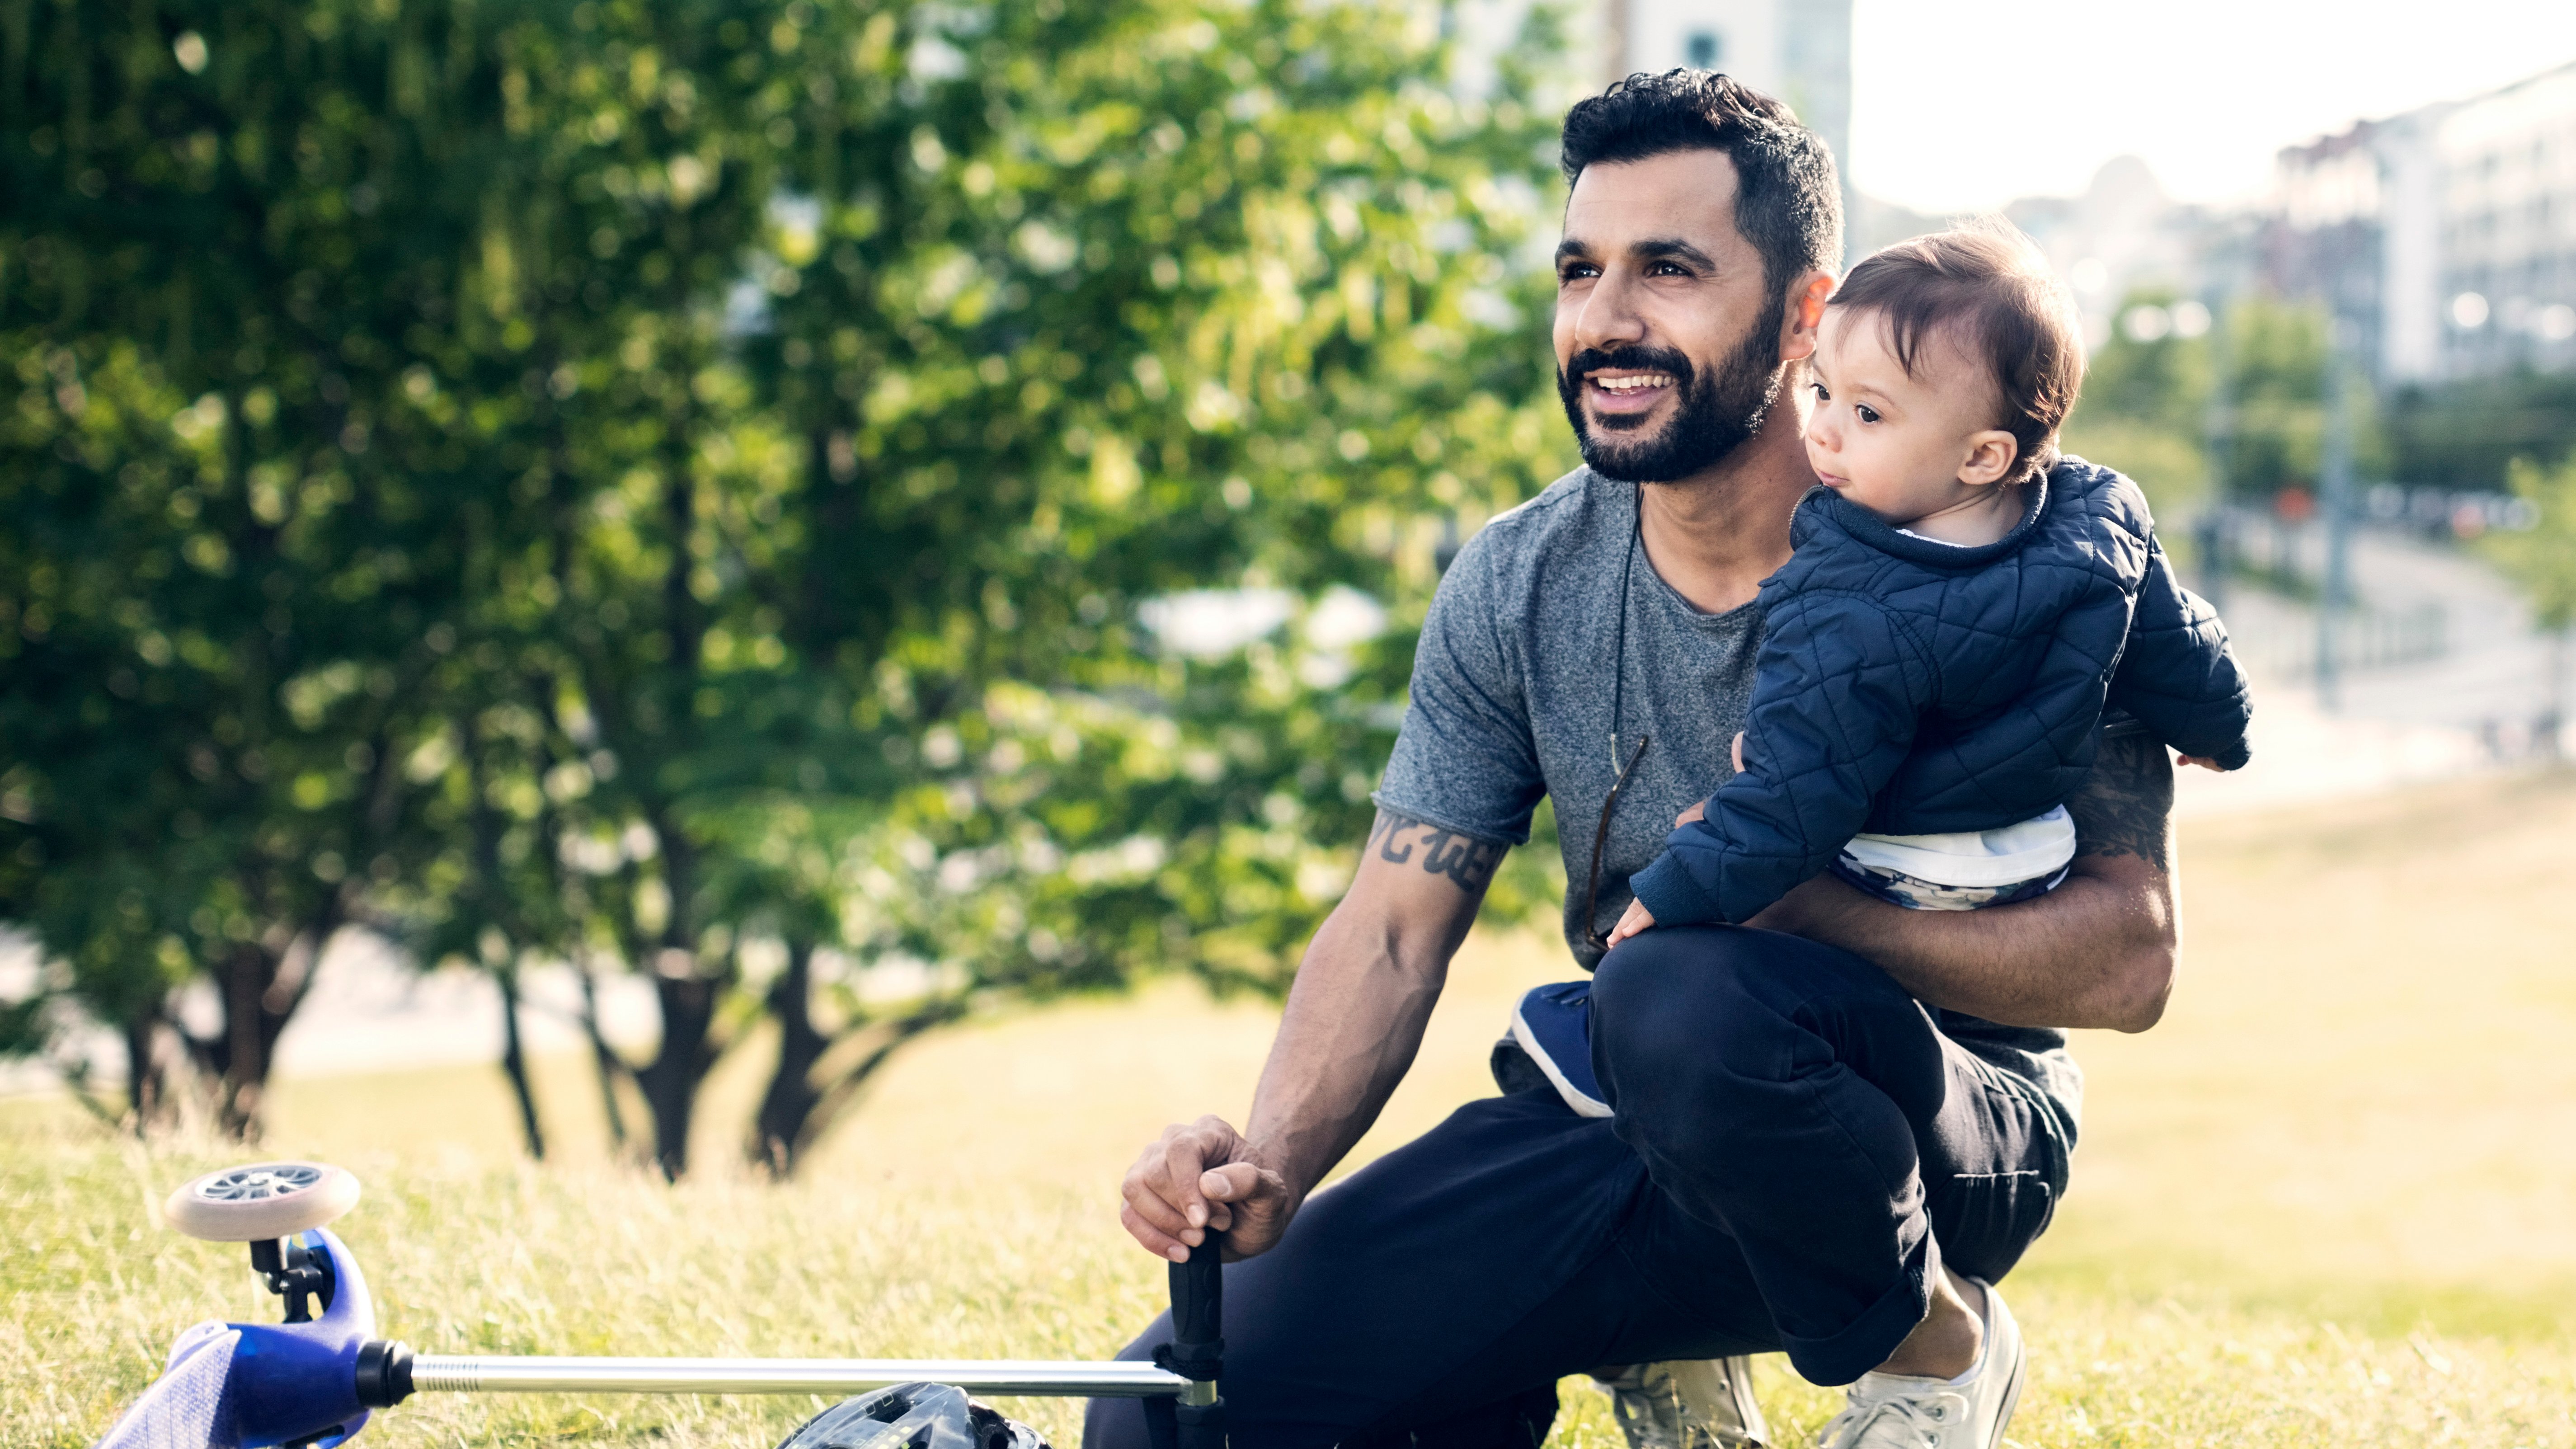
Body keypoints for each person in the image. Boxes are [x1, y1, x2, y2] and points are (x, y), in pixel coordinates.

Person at [1092, 71, 2187, 1449]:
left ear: (1806, 313)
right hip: (1640, 1115)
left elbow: (2129, 961)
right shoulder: (1517, 578)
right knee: (1172, 1422)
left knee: (1676, 983)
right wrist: (1266, 1167)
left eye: (1668, 269)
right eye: (1578, 270)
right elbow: (1389, 926)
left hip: (1943, 1130)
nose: (1606, 319)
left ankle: (1936, 1340)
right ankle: (1634, 1349)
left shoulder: (2011, 557)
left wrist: (1805, 912)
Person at [1601, 224, 2251, 948]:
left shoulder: (1843, 595)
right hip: (2037, 856)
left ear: (1982, 455)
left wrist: (1682, 885)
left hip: (1902, 864)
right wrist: (2221, 731)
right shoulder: (2103, 519)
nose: (1822, 431)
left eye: (1868, 413)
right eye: (1823, 391)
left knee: (1756, 785)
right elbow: (2178, 645)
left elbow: (1800, 792)